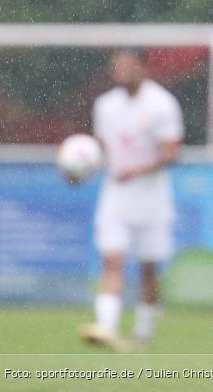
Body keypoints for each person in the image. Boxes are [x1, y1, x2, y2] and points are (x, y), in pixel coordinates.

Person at [79, 50, 184, 351]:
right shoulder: (105, 105)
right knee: (112, 259)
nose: (121, 71)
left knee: (148, 269)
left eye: (127, 66)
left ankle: (143, 331)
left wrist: (137, 170)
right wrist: (80, 168)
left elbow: (172, 151)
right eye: (117, 67)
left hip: (152, 199)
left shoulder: (161, 103)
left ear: (142, 67)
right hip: (115, 196)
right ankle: (106, 327)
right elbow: (100, 152)